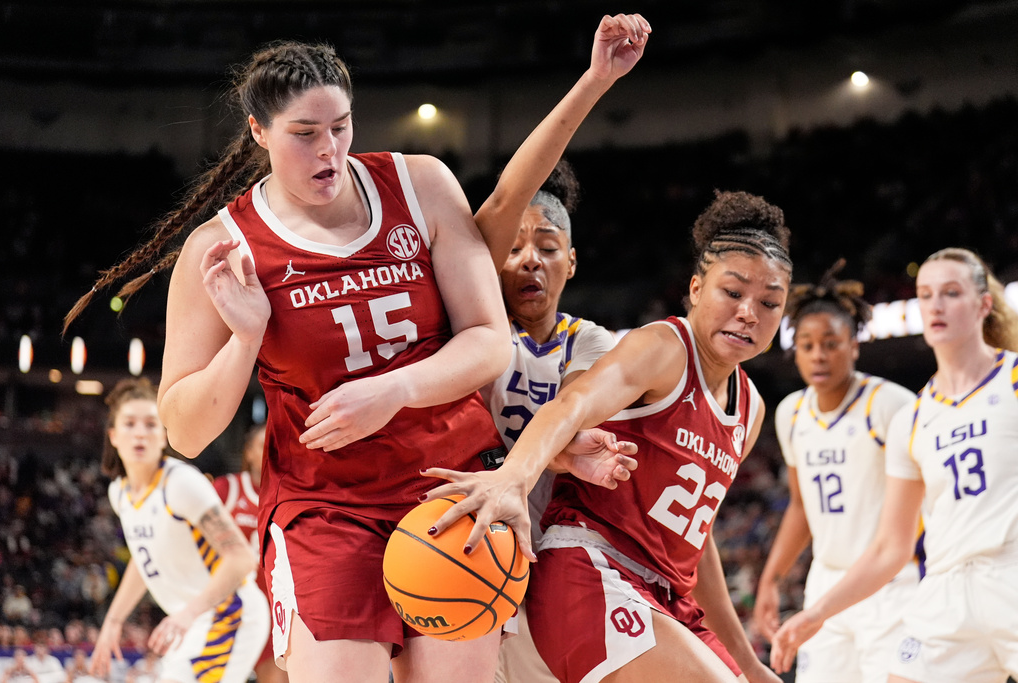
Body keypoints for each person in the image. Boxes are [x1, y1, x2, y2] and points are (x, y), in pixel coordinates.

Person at [62, 34, 526, 683]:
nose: (329, 149)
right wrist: (246, 339)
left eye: (340, 126)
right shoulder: (222, 247)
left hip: (447, 485)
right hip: (325, 507)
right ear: (258, 130)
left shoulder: (420, 184)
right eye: (305, 134)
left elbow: (489, 338)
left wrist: (393, 390)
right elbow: (185, 431)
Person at [425, 190, 793, 682]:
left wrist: (747, 660)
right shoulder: (663, 348)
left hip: (665, 596)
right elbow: (571, 406)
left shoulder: (751, 408)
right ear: (696, 289)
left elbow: (695, 542)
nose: (749, 312)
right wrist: (513, 476)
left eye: (769, 303)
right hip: (591, 569)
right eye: (733, 293)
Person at [472, 14, 650, 682]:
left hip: (553, 561)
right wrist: (596, 79)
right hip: (470, 550)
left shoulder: (595, 342)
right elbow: (502, 199)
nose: (529, 260)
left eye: (547, 247)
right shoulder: (472, 327)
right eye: (514, 247)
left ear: (570, 263)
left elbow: (574, 412)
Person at [771, 247, 1018, 683]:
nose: (936, 305)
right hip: (947, 593)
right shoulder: (912, 419)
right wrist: (817, 612)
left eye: (951, 293)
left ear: (984, 304)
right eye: (926, 295)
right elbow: (890, 547)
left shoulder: (1012, 379)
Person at [752, 261, 918, 683]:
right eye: (807, 345)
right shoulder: (791, 413)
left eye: (831, 343)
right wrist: (771, 580)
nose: (818, 355)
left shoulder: (891, 405)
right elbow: (801, 506)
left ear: (854, 346)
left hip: (891, 584)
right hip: (826, 583)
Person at [88, 379, 269, 683]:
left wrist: (188, 614)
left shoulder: (180, 483)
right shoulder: (119, 493)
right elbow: (144, 559)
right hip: (194, 621)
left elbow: (242, 560)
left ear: (163, 436)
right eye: (130, 424)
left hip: (230, 614)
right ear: (114, 436)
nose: (140, 433)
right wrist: (113, 620)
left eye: (150, 424)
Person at [213, 425, 287, 683]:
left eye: (275, 446)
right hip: (230, 604)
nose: (270, 452)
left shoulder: (290, 495)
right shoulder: (227, 489)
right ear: (249, 453)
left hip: (274, 606)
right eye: (263, 446)